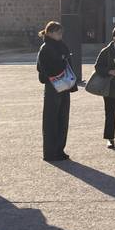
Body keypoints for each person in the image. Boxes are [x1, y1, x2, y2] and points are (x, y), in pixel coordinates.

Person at [36, 21, 77, 162]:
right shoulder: (45, 48)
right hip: (52, 86)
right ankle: (50, 152)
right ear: (50, 33)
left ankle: (60, 149)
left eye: (61, 32)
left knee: (63, 118)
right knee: (51, 120)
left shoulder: (62, 45)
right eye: (58, 32)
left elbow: (68, 62)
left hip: (64, 85)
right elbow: (44, 69)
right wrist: (62, 62)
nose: (60, 35)